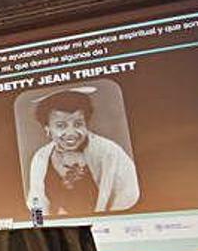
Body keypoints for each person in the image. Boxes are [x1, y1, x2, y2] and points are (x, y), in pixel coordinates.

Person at [26, 87, 139, 215]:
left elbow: (128, 195)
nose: (71, 133)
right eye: (61, 126)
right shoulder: (41, 157)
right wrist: (42, 228)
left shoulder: (109, 152)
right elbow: (36, 202)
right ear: (47, 129)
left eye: (78, 124)